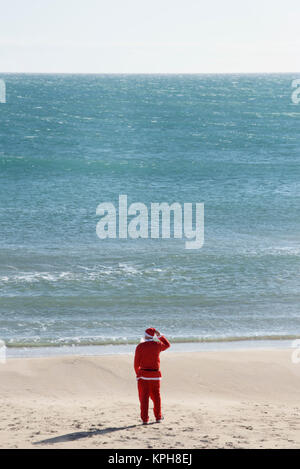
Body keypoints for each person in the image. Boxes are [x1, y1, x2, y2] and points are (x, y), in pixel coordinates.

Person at [134, 327, 170, 425]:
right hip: (155, 375)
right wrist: (160, 336)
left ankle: (145, 419)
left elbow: (136, 363)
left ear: (145, 336)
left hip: (143, 376)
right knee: (156, 397)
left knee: (144, 398)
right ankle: (158, 417)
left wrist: (138, 374)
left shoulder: (140, 346)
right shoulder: (157, 345)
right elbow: (167, 345)